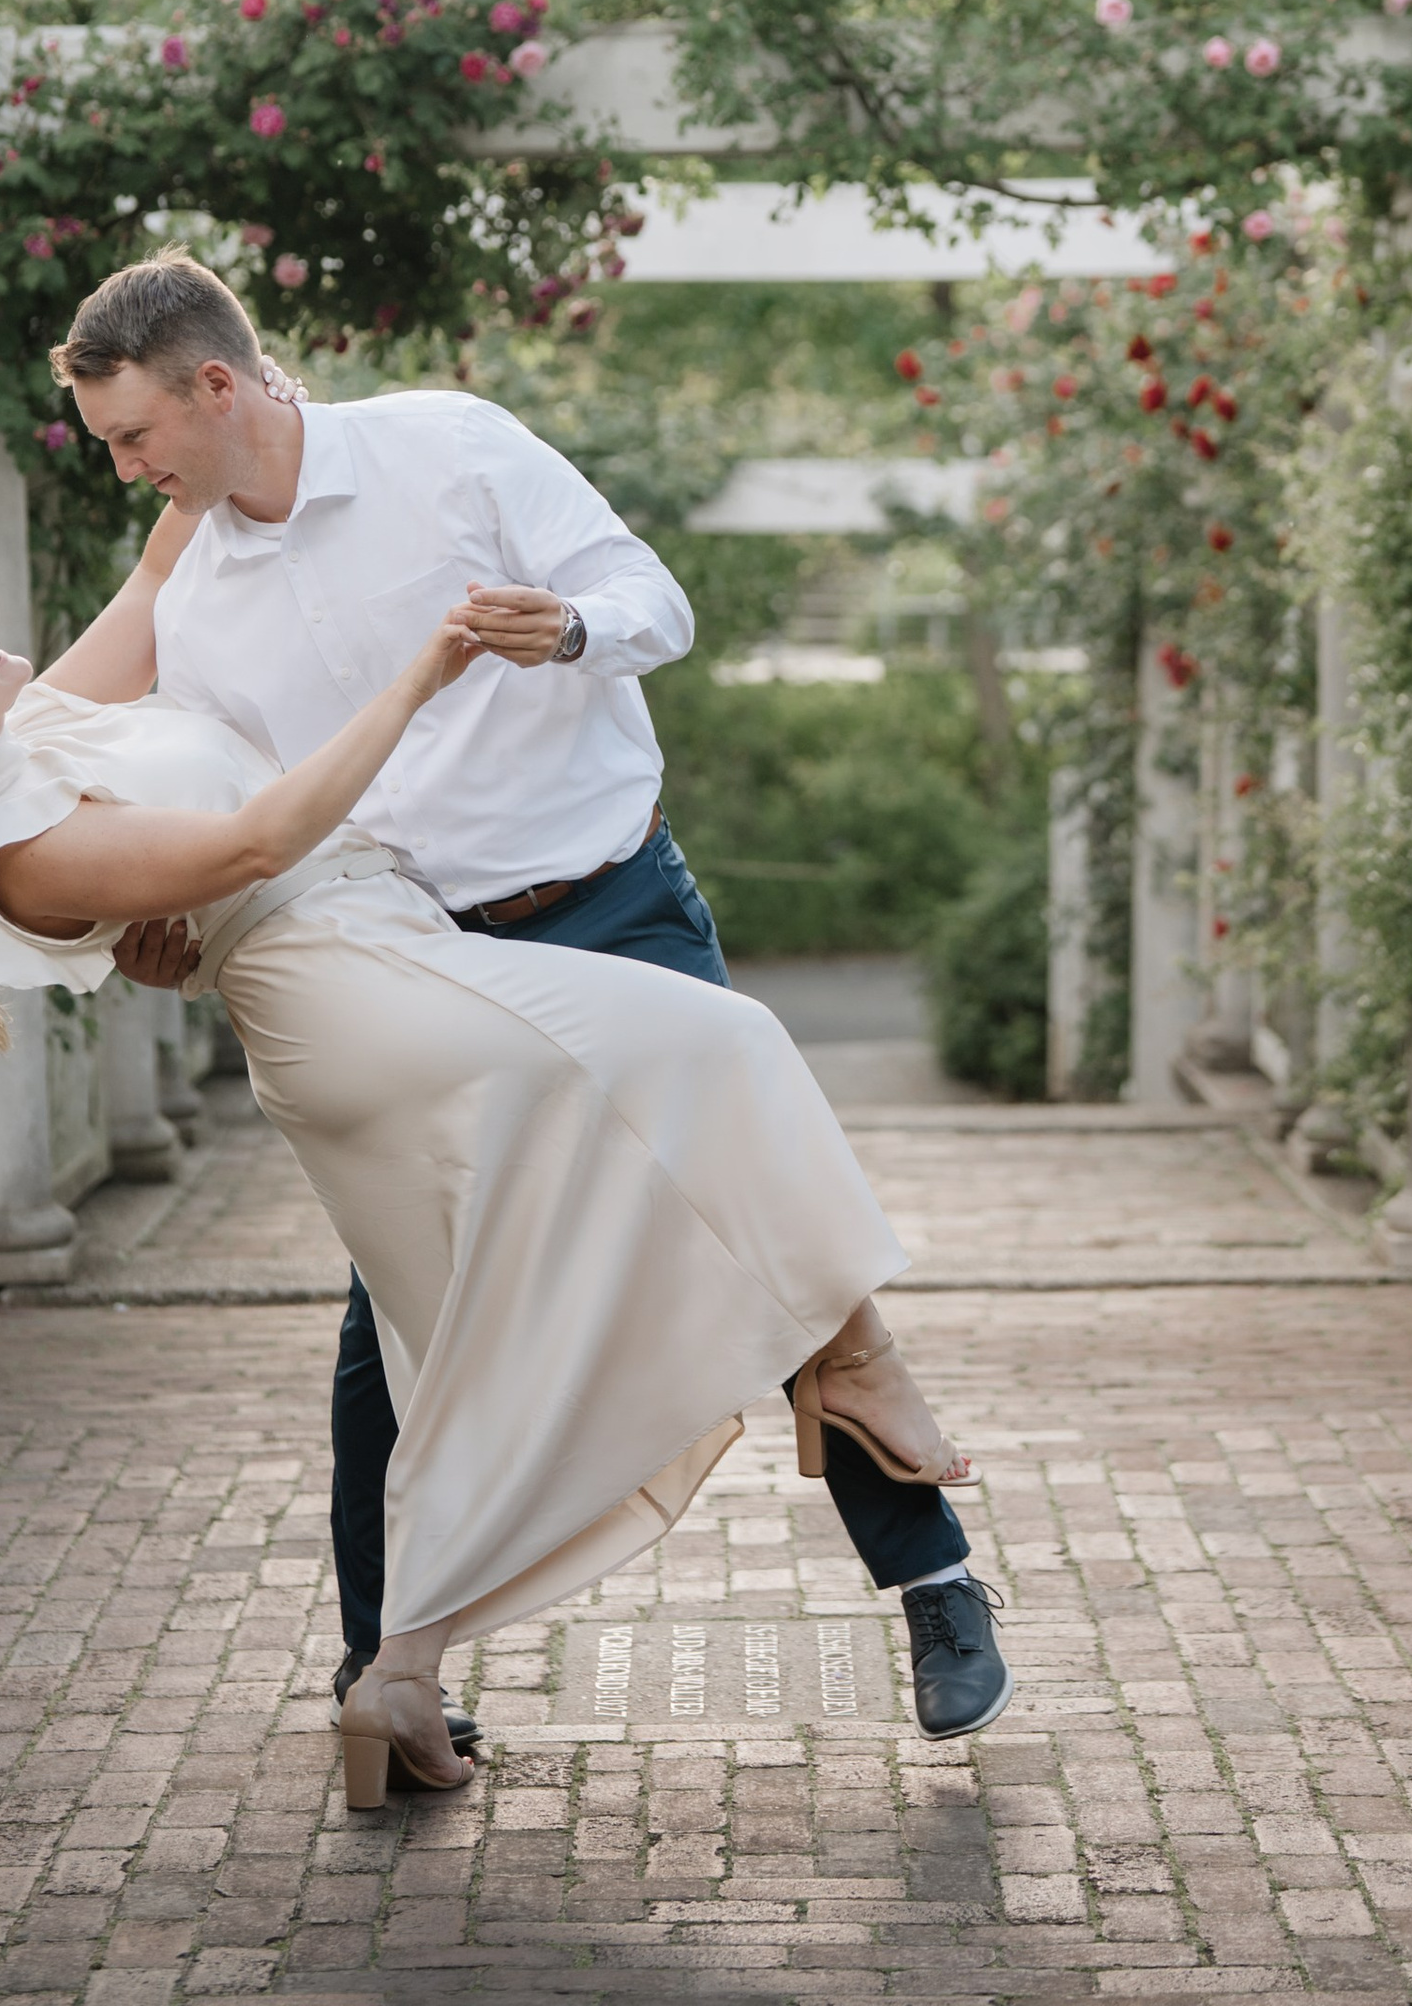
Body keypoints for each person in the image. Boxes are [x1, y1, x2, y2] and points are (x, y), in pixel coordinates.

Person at [0, 565, 983, 1807]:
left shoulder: (41, 725)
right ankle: (858, 1365)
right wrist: (424, 670)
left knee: (455, 1345)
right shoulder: (13, 846)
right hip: (353, 998)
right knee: (723, 1050)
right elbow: (251, 844)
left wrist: (240, 398)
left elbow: (158, 561)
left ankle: (398, 1672)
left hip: (377, 961)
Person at [56, 249, 1012, 1745]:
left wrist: (569, 630)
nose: (124, 470)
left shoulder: (450, 445)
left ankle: (937, 1582)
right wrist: (164, 916)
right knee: (390, 1321)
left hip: (614, 906)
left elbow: (657, 600)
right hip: (422, 964)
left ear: (217, 386)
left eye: (133, 437)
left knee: (756, 1232)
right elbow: (232, 803)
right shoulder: (195, 603)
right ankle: (386, 1672)